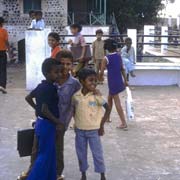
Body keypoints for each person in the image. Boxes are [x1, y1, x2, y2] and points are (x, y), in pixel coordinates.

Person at [25, 58, 64, 180]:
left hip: (41, 123)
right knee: (45, 155)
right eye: (56, 72)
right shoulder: (50, 89)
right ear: (47, 74)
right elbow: (46, 110)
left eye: (59, 72)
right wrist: (58, 122)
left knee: (48, 153)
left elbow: (28, 98)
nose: (59, 74)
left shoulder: (41, 86)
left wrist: (37, 109)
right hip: (48, 124)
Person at [72, 68, 110, 180]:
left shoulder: (96, 96)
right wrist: (76, 122)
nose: (94, 83)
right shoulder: (76, 96)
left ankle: (102, 175)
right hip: (80, 131)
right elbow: (73, 110)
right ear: (82, 81)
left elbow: (107, 109)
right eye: (91, 80)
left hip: (94, 131)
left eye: (95, 81)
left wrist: (101, 125)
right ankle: (83, 174)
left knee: (97, 154)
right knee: (81, 154)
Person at [55, 50, 81, 179]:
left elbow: (78, 103)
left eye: (68, 64)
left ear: (72, 65)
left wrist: (77, 122)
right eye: (62, 63)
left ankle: (58, 173)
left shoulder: (74, 84)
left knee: (58, 149)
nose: (65, 67)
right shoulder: (51, 79)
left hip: (62, 123)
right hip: (47, 121)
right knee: (41, 147)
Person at [100, 39, 128, 129]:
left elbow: (101, 72)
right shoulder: (118, 56)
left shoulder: (106, 58)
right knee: (109, 99)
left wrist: (99, 78)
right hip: (118, 80)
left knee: (117, 102)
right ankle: (107, 117)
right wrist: (125, 80)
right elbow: (122, 69)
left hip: (112, 82)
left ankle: (123, 123)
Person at [0, 17, 11, 94]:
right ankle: (2, 86)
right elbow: (6, 42)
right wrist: (9, 51)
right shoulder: (4, 31)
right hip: (2, 52)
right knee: (3, 70)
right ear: (2, 23)